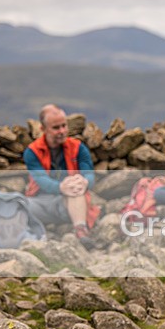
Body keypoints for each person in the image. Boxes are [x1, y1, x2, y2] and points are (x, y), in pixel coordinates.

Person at [24, 104, 100, 250]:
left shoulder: (78, 148)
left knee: (76, 188)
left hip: (69, 202)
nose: (62, 131)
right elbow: (41, 180)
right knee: (16, 204)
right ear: (43, 129)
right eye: (56, 128)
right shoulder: (32, 152)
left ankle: (81, 231)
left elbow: (89, 173)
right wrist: (60, 187)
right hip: (40, 203)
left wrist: (84, 182)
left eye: (64, 126)